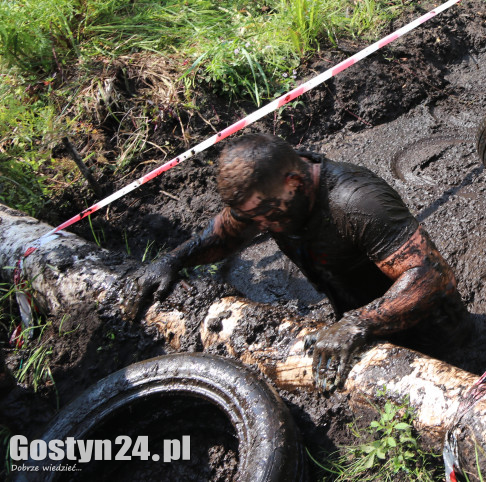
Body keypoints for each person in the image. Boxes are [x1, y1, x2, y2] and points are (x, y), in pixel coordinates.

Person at [126, 133, 468, 390]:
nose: (257, 226)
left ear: (293, 182)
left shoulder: (356, 202)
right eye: (251, 217)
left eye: (263, 214)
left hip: (433, 333)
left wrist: (356, 324)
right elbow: (226, 233)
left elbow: (430, 276)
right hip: (360, 329)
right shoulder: (272, 197)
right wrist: (173, 260)